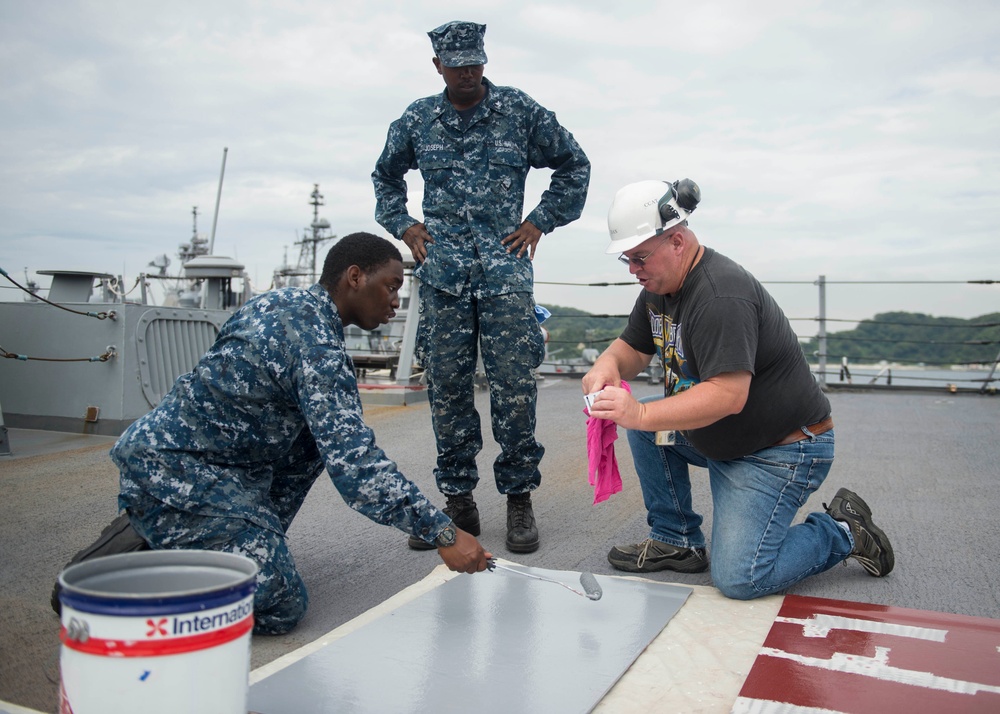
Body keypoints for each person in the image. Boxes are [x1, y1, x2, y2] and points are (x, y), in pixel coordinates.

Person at [53, 233, 492, 634]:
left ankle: (205, 531)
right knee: (281, 603)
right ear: (355, 278)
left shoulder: (277, 303)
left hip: (191, 462)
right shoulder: (318, 346)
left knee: (313, 440)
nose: (396, 300)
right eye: (391, 286)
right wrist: (445, 534)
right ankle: (111, 598)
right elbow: (357, 468)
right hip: (178, 471)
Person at [582, 180, 894, 600]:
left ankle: (842, 532)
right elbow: (633, 349)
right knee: (647, 427)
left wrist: (637, 413)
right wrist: (607, 364)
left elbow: (728, 396)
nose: (633, 270)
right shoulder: (660, 288)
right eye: (627, 259)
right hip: (721, 437)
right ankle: (677, 541)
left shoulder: (718, 295)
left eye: (640, 257)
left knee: (741, 578)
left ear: (677, 240)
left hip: (779, 452)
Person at [372, 21, 591, 554]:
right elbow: (385, 178)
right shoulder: (418, 119)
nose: (468, 73)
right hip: (443, 276)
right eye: (458, 65)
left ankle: (519, 498)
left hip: (505, 275)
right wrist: (404, 225)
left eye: (476, 63)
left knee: (514, 391)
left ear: (485, 62)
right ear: (438, 66)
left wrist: (540, 220)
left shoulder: (519, 111)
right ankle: (459, 500)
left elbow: (574, 165)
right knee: (447, 392)